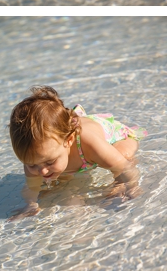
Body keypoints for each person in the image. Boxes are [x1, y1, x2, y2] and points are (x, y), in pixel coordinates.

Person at [8, 85, 146, 220]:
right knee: (57, 179)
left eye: (49, 162)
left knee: (122, 157)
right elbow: (32, 187)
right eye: (32, 165)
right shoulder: (36, 157)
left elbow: (124, 167)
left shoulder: (89, 143)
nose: (42, 171)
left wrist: (128, 186)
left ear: (69, 140)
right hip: (70, 138)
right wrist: (31, 205)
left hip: (117, 136)